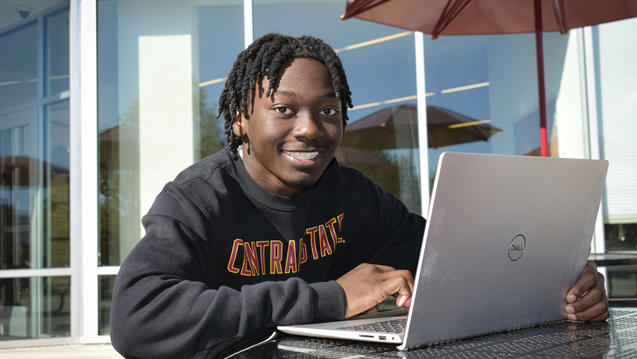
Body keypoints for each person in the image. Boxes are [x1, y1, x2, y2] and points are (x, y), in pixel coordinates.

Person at [110, 33, 609, 358]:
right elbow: (136, 319)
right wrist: (333, 298)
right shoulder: (198, 198)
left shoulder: (354, 196)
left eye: (328, 111)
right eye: (284, 110)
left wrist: (560, 280)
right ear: (240, 119)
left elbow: (453, 257)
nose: (309, 129)